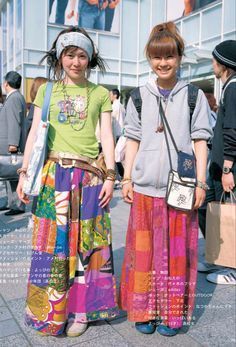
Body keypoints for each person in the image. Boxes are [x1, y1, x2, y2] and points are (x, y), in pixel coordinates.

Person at [17, 26, 119, 337]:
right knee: (50, 247)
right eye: (69, 54)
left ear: (90, 58)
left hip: (88, 177)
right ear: (60, 57)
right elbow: (35, 134)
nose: (75, 61)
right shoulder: (46, 91)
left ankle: (82, 312)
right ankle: (50, 313)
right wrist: (24, 173)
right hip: (52, 176)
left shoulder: (100, 94)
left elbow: (106, 136)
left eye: (82, 55)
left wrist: (112, 176)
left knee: (87, 247)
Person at [119, 22, 212, 336]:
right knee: (144, 255)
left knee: (176, 255)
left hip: (181, 190)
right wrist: (127, 178)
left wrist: (201, 182)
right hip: (145, 188)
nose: (163, 63)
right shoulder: (138, 97)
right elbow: (131, 139)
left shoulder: (193, 96)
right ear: (149, 59)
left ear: (179, 57)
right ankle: (144, 311)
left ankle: (173, 315)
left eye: (169, 56)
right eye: (157, 57)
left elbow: (201, 140)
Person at [198, 40, 236, 285]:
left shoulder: (233, 88)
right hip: (217, 163)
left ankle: (232, 268)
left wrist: (227, 169)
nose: (212, 63)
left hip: (226, 166)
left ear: (223, 63)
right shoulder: (227, 86)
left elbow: (232, 130)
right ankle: (216, 257)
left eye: (214, 59)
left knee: (229, 213)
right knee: (211, 211)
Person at [0, 71, 26, 215]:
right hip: (9, 145)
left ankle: (17, 205)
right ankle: (11, 203)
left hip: (11, 146)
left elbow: (14, 122)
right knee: (10, 176)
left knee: (14, 176)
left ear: (6, 83)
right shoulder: (16, 97)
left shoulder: (14, 98)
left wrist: (13, 144)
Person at [110, 88, 125, 182]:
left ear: (115, 95)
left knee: (116, 156)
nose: (109, 96)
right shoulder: (121, 106)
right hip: (121, 133)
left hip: (117, 134)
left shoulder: (115, 106)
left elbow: (112, 121)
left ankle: (121, 176)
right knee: (118, 156)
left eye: (110, 94)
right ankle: (120, 176)